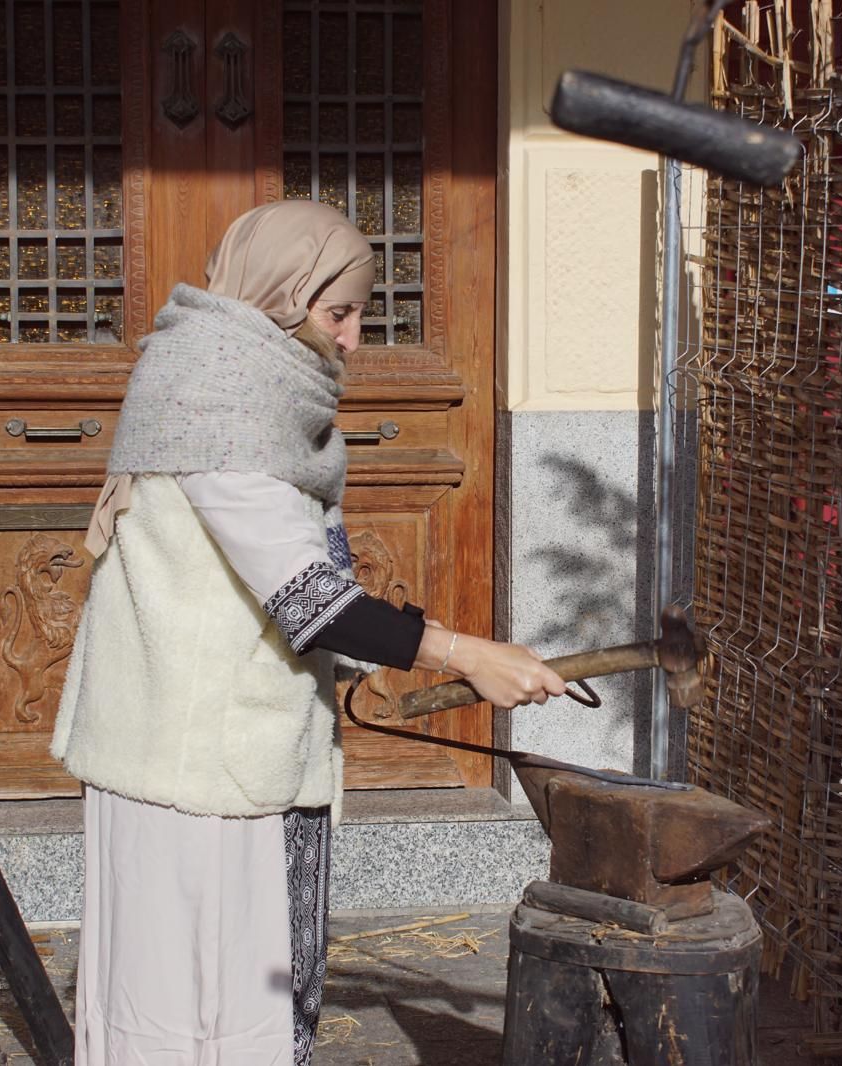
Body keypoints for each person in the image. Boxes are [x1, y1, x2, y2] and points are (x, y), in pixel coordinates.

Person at [49, 199, 566, 1066]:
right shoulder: (218, 401)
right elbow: (306, 597)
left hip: (215, 745)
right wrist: (466, 655)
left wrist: (418, 646)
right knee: (201, 1005)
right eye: (339, 313)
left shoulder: (229, 383)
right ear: (282, 298)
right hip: (198, 769)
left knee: (218, 996)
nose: (355, 339)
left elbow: (295, 580)